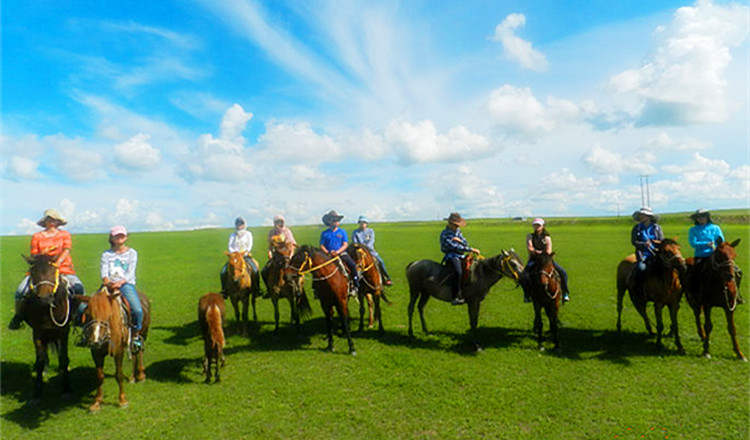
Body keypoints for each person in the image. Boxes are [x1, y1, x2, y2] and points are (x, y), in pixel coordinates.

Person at [9, 209, 86, 330]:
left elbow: (66, 250)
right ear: (44, 221)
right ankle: (18, 317)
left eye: (54, 219)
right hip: (41, 271)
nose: (51, 222)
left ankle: (79, 316)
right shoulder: (37, 236)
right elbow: (34, 255)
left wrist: (57, 263)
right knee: (20, 291)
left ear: (57, 222)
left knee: (78, 288)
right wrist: (42, 253)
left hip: (63, 269)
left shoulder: (64, 234)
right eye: (49, 219)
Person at [100, 225, 144, 349]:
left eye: (122, 235)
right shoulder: (106, 254)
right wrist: (107, 281)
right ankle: (90, 333)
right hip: (109, 285)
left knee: (137, 310)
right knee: (91, 305)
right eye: (116, 236)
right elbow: (104, 271)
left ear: (126, 237)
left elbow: (131, 272)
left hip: (126, 284)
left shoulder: (132, 253)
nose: (119, 238)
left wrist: (120, 283)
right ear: (112, 238)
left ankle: (136, 334)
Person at [687, 209, 743, 301]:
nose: (700, 219)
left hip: (716, 255)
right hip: (701, 255)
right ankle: (694, 293)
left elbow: (722, 241)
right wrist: (706, 244)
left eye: (703, 216)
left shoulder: (715, 228)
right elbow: (693, 243)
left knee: (737, 271)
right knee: (694, 272)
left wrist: (717, 246)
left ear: (707, 217)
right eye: (698, 217)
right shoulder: (693, 230)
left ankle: (736, 293)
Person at [520, 218, 570, 303]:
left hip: (545, 260)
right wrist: (536, 251)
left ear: (543, 226)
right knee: (524, 276)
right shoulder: (530, 236)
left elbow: (548, 251)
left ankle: (565, 293)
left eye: (538, 225)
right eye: (535, 225)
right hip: (534, 259)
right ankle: (527, 295)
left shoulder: (547, 238)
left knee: (563, 273)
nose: (537, 227)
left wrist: (540, 253)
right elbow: (530, 247)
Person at [440, 212, 480, 305]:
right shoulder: (445, 234)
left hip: (461, 255)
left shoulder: (458, 233)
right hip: (452, 256)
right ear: (450, 224)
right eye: (455, 225)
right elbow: (454, 247)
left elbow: (465, 243)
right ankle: (455, 297)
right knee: (458, 272)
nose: (457, 227)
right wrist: (471, 249)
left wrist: (460, 240)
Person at [319, 210, 358, 297]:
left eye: (337, 220)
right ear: (329, 221)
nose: (336, 222)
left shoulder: (342, 232)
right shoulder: (324, 233)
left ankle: (355, 285)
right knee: (318, 270)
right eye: (333, 220)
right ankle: (317, 289)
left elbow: (345, 244)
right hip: (328, 256)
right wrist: (328, 252)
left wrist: (337, 252)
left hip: (341, 253)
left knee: (352, 265)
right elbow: (321, 245)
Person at [220, 217, 260, 297]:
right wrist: (234, 254)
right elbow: (230, 246)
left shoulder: (248, 234)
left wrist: (245, 252)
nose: (239, 226)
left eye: (241, 224)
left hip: (245, 256)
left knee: (255, 269)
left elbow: (249, 245)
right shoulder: (232, 235)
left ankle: (256, 289)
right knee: (223, 271)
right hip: (234, 257)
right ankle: (224, 289)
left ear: (244, 225)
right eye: (238, 224)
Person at [630, 207, 664, 296]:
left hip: (656, 254)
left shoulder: (657, 228)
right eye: (640, 215)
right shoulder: (637, 228)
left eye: (643, 215)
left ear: (649, 217)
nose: (641, 217)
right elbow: (634, 241)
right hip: (643, 255)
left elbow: (661, 240)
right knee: (641, 269)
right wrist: (644, 244)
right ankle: (639, 290)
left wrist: (656, 243)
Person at [261, 214, 298, 295]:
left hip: (287, 254)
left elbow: (291, 245)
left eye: (281, 222)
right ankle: (269, 289)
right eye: (277, 222)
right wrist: (270, 253)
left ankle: (296, 288)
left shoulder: (287, 232)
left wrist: (290, 256)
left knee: (293, 271)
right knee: (264, 271)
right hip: (277, 256)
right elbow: (270, 246)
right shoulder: (271, 232)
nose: (279, 224)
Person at [352, 215, 392, 286]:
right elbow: (355, 243)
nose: (363, 224)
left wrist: (365, 248)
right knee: (354, 265)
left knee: (380, 261)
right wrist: (360, 248)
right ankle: (353, 281)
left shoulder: (371, 231)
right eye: (361, 222)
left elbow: (371, 241)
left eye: (364, 223)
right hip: (360, 253)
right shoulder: (355, 232)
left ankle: (386, 278)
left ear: (367, 224)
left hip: (371, 252)